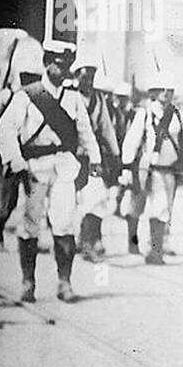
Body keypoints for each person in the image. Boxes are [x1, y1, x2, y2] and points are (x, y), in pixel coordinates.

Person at [0, 40, 100, 303]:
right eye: (60, 65)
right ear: (47, 64)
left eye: (67, 66)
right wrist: (16, 161)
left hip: (64, 166)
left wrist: (95, 159)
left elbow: (85, 131)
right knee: (30, 226)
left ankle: (64, 282)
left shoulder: (73, 97)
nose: (64, 71)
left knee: (64, 223)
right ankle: (28, 282)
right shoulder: (27, 95)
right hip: (35, 169)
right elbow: (5, 131)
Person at [0, 38, 44, 251]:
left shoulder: (39, 99)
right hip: (2, 156)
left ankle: (29, 236)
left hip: (27, 157)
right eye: (27, 77)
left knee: (19, 199)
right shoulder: (7, 95)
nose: (30, 80)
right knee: (1, 197)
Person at [120, 63, 183, 266]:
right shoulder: (145, 113)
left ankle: (155, 249)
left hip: (169, 169)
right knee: (141, 205)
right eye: (163, 91)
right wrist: (126, 167)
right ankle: (141, 245)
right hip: (146, 169)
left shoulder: (178, 115)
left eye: (170, 91)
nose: (167, 95)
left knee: (162, 208)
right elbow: (131, 142)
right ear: (155, 91)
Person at [71, 52, 121, 262]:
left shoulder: (99, 98)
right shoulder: (68, 96)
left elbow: (106, 127)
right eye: (85, 75)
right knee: (72, 201)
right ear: (76, 76)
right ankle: (77, 239)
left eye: (92, 76)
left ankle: (91, 240)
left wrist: (115, 154)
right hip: (71, 154)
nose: (88, 80)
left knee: (96, 196)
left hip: (92, 156)